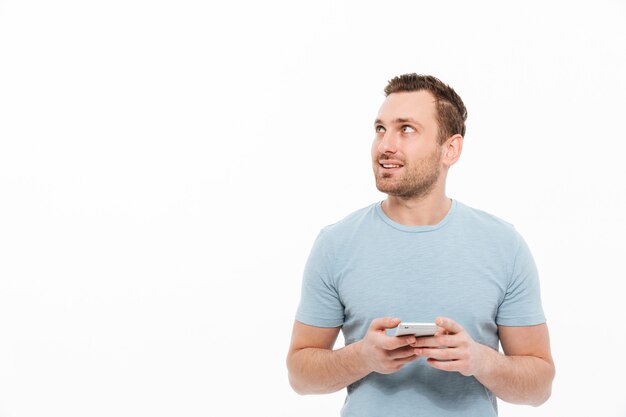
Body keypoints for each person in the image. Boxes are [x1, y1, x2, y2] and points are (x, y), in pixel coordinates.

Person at [286, 73, 555, 417]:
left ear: (450, 149)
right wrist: (362, 356)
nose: (385, 145)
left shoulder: (504, 245)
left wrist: (479, 361)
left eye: (406, 129)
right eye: (380, 129)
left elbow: (539, 387)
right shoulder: (335, 244)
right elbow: (300, 376)